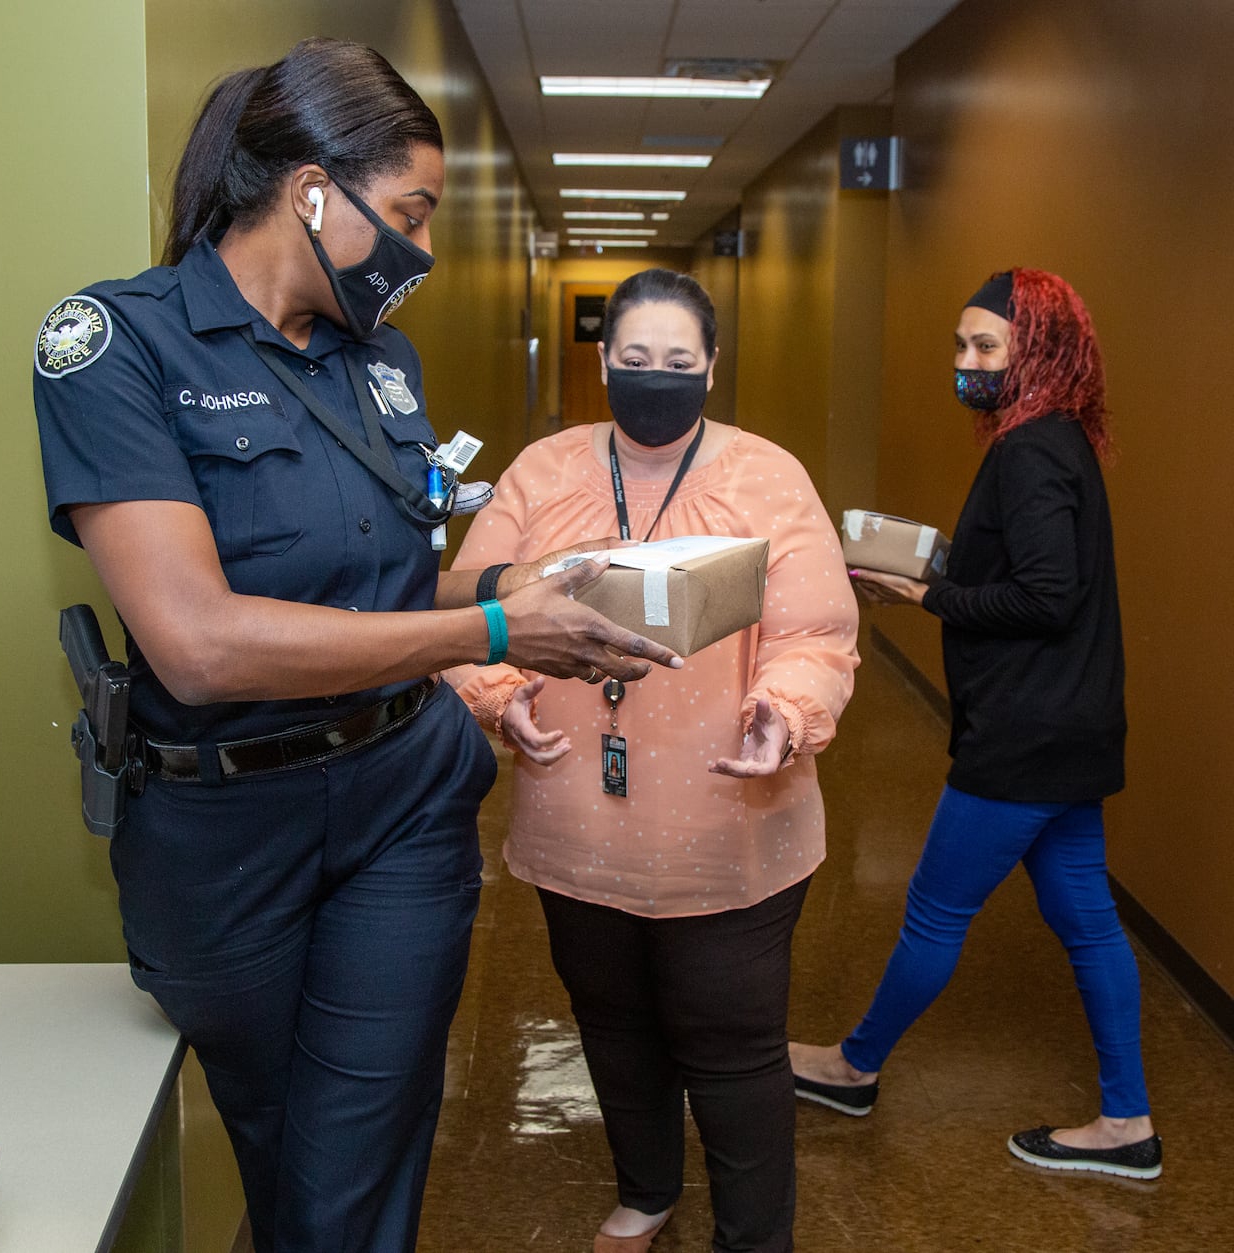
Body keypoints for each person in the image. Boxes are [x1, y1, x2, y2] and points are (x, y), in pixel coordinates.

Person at [30, 38, 682, 1253]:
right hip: (222, 830)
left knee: (362, 1150)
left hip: (400, 796)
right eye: (410, 214)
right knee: (283, 1146)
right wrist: (493, 628)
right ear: (312, 188)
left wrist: (507, 580)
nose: (421, 252)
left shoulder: (379, 362)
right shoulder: (119, 345)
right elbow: (201, 644)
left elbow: (375, 583)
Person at [450, 268, 860, 1253]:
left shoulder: (767, 475)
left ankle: (753, 1235)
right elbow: (464, 608)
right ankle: (646, 1185)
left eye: (679, 361)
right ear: (602, 362)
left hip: (732, 813)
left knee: (730, 1044)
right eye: (635, 360)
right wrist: (500, 696)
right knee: (612, 1021)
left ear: (711, 365)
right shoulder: (542, 472)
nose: (656, 378)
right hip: (575, 815)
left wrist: (785, 709)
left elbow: (816, 628)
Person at [789, 268, 1160, 1180]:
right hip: (1073, 729)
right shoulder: (1060, 439)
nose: (968, 363)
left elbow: (1045, 594)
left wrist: (930, 592)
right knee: (1089, 921)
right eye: (962, 346)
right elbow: (1045, 570)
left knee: (935, 909)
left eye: (986, 348)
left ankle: (853, 1065)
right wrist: (948, 564)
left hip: (1025, 739)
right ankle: (1128, 1123)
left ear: (1040, 351)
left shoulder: (1029, 449)